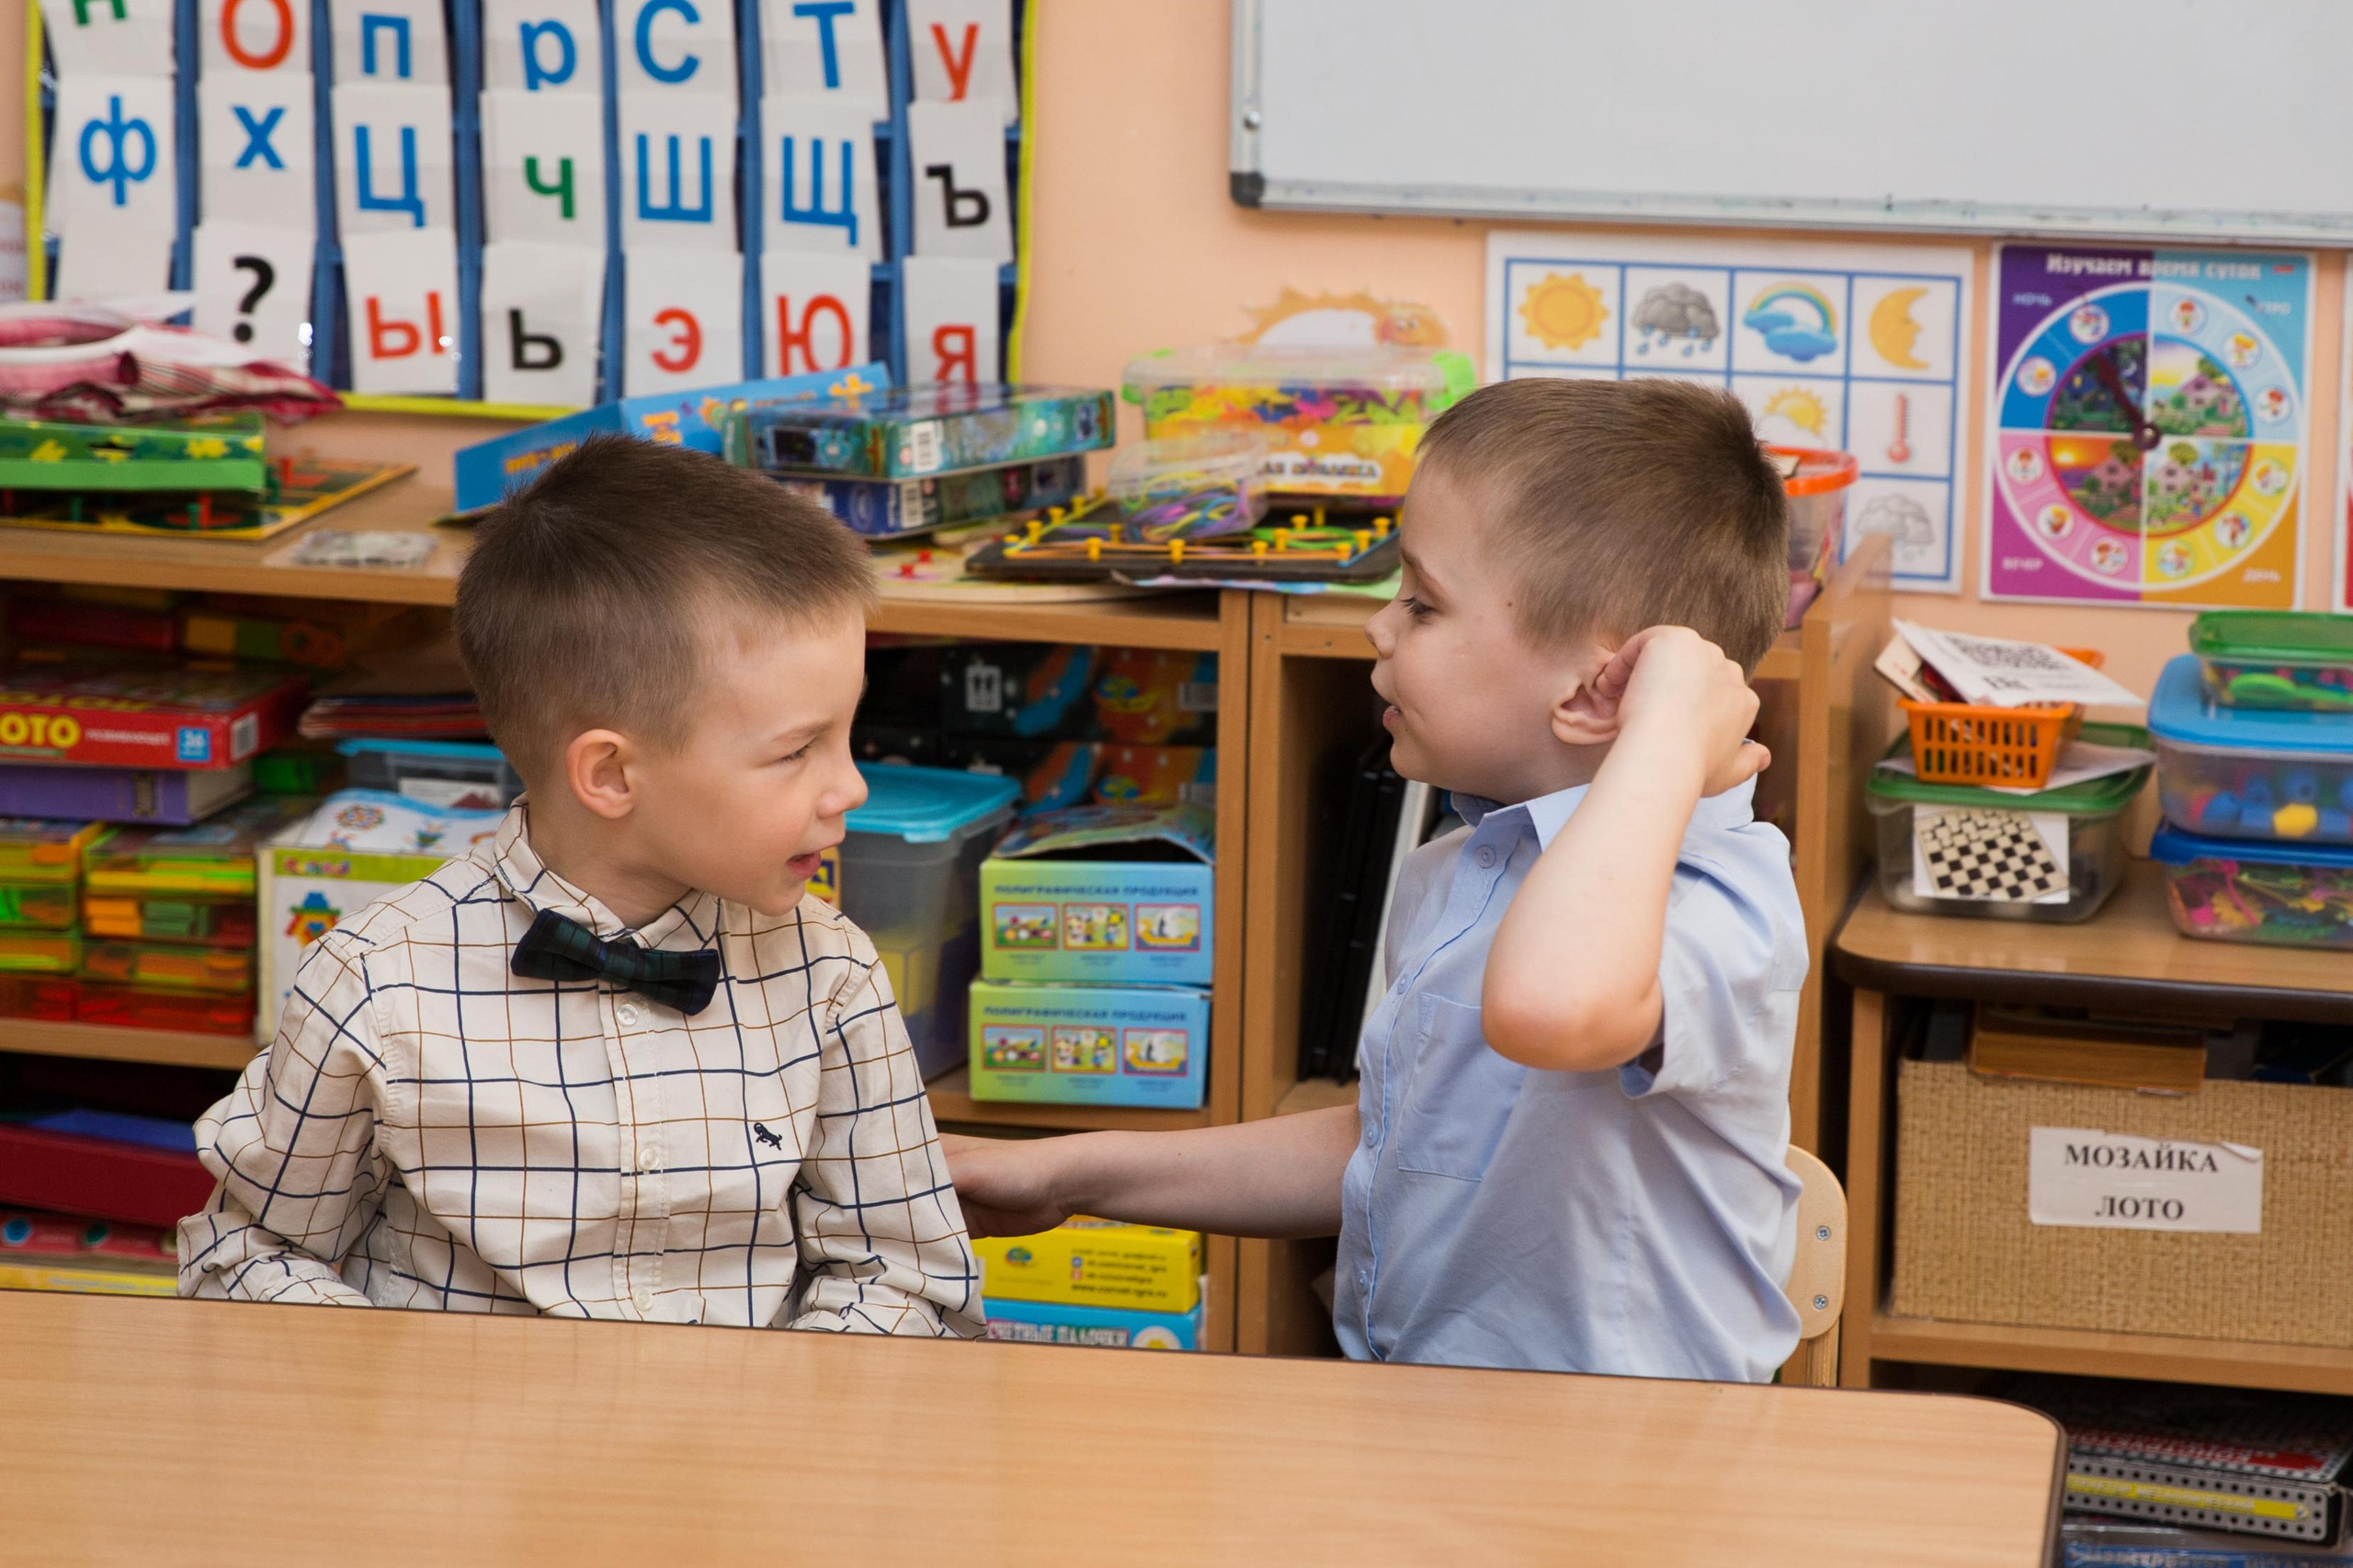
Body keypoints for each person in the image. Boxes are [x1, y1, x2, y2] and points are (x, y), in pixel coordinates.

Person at [947, 378, 1806, 1380]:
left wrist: (1663, 730)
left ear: (1595, 688)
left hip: (1628, 1474)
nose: (1378, 629)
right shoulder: (1458, 867)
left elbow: (1551, 1007)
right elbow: (1397, 1144)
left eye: (1423, 603)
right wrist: (1074, 1170)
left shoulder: (1716, 895)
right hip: (1433, 1430)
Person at [179, 435, 981, 1335]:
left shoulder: (832, 974)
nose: (850, 787)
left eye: (845, 735)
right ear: (609, 774)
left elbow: (906, 1272)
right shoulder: (376, 982)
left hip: (738, 1456)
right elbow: (248, 1253)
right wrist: (391, 1384)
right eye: (797, 750)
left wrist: (789, 1410)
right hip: (449, 1453)